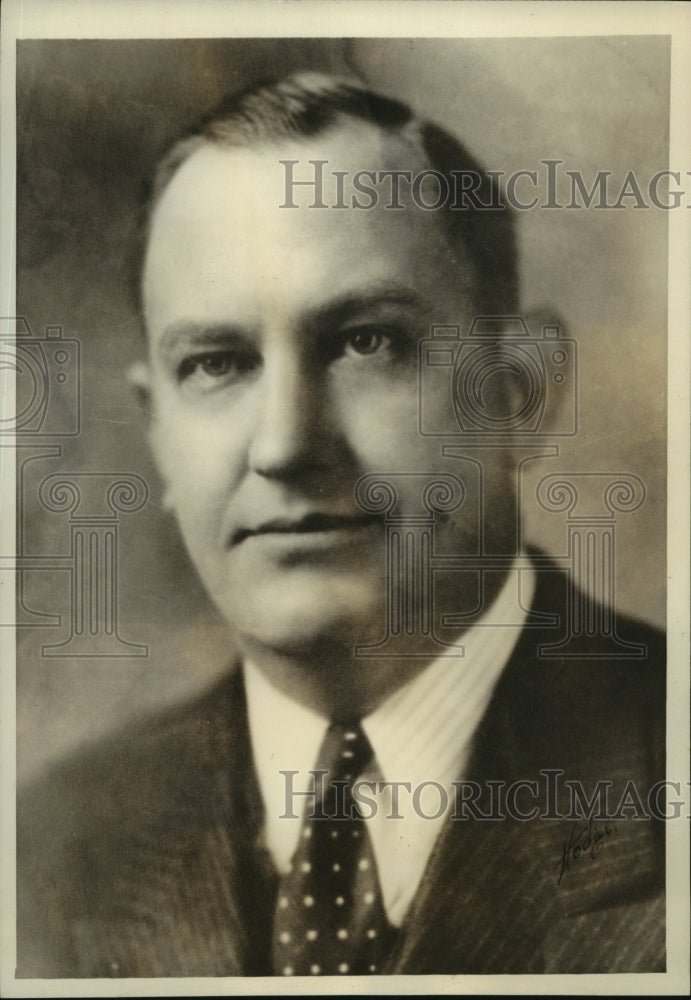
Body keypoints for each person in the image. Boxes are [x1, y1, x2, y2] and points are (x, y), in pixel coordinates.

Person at [17, 72, 665, 978]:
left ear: (520, 391)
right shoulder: (52, 848)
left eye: (367, 342)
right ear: (157, 431)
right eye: (215, 363)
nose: (285, 444)